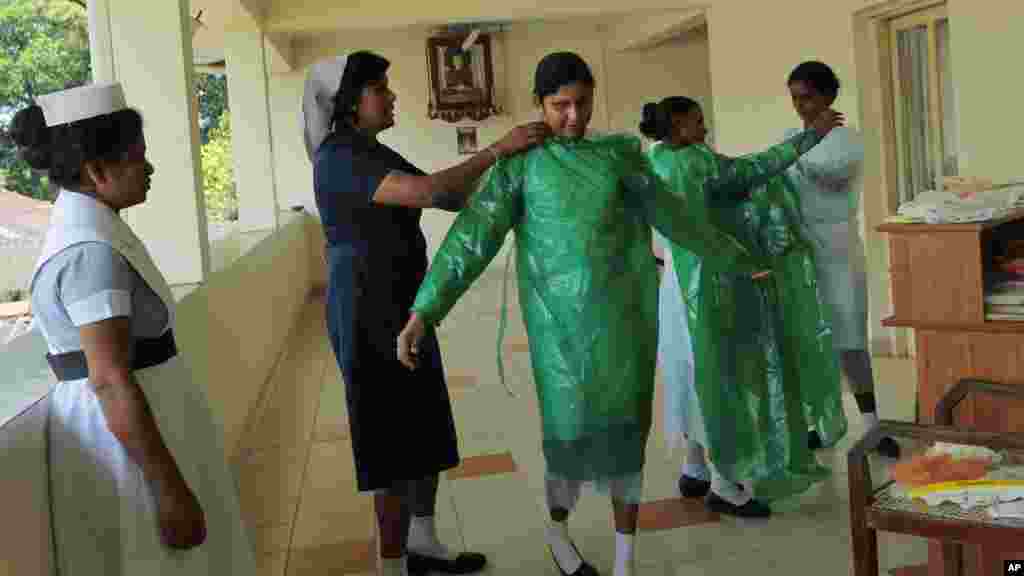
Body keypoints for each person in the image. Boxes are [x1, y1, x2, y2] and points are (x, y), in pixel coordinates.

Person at [396, 51, 796, 576]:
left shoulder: (619, 159)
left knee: (627, 438)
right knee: (568, 437)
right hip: (557, 332)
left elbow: (675, 217)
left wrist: (737, 259)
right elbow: (472, 240)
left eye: (582, 103)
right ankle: (558, 533)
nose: (573, 117)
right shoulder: (520, 166)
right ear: (539, 104)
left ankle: (626, 562)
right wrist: (426, 309)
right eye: (560, 105)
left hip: (623, 323)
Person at [302, 51, 549, 576]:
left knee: (424, 423)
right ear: (349, 103)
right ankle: (391, 565)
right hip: (366, 308)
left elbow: (451, 198)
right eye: (380, 89)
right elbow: (429, 190)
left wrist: (511, 167)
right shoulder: (339, 156)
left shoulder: (372, 151)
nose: (391, 97)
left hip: (405, 302)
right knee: (388, 439)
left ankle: (423, 542)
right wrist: (498, 148)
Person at [11, 82, 255, 573]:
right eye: (137, 157)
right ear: (97, 171)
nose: (149, 167)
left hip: (147, 421)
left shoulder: (95, 230)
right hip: (126, 443)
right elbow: (109, 377)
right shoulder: (88, 252)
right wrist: (168, 489)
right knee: (152, 555)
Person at [640, 95, 848, 518]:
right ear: (679, 128)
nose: (705, 129)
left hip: (676, 285)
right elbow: (752, 170)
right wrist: (810, 137)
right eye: (698, 123)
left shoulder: (657, 159)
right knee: (719, 378)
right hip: (709, 285)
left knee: (685, 371)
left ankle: (694, 468)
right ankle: (725, 484)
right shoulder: (695, 162)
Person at [785, 61, 900, 459]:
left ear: (829, 97)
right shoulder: (791, 137)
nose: (801, 106)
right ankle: (823, 425)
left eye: (808, 97)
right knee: (810, 340)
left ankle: (873, 428)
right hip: (800, 251)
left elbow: (825, 175)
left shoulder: (847, 140)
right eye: (795, 98)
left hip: (837, 249)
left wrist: (789, 153)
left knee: (850, 341)